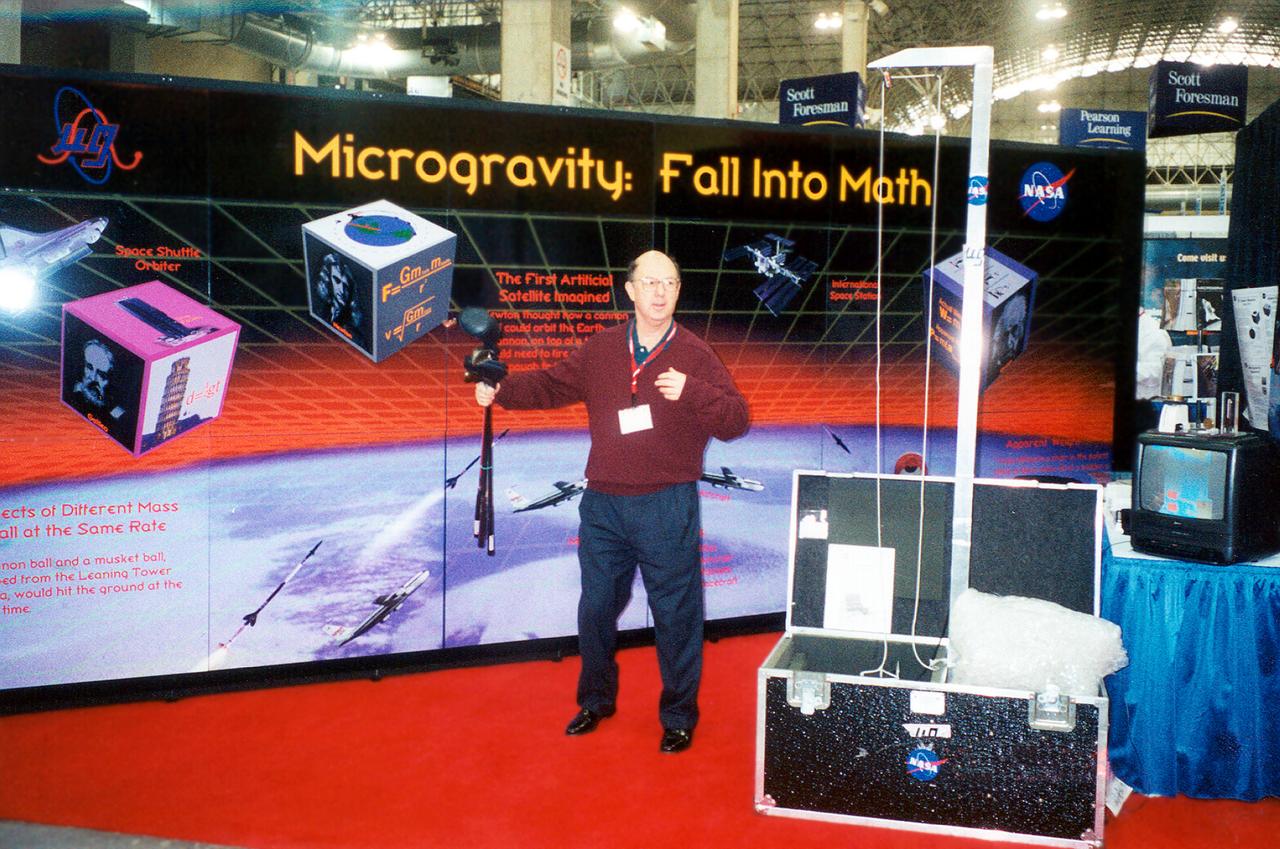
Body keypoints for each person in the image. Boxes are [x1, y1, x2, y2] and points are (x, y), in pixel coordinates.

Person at [475, 249, 748, 753]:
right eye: (650, 282)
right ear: (630, 290)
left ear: (678, 291)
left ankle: (678, 716)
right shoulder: (601, 348)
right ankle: (595, 701)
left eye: (669, 283)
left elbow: (736, 421)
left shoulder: (695, 354)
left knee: (676, 616)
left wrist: (692, 392)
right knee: (595, 610)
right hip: (603, 504)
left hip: (667, 505)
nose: (660, 292)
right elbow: (550, 385)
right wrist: (501, 389)